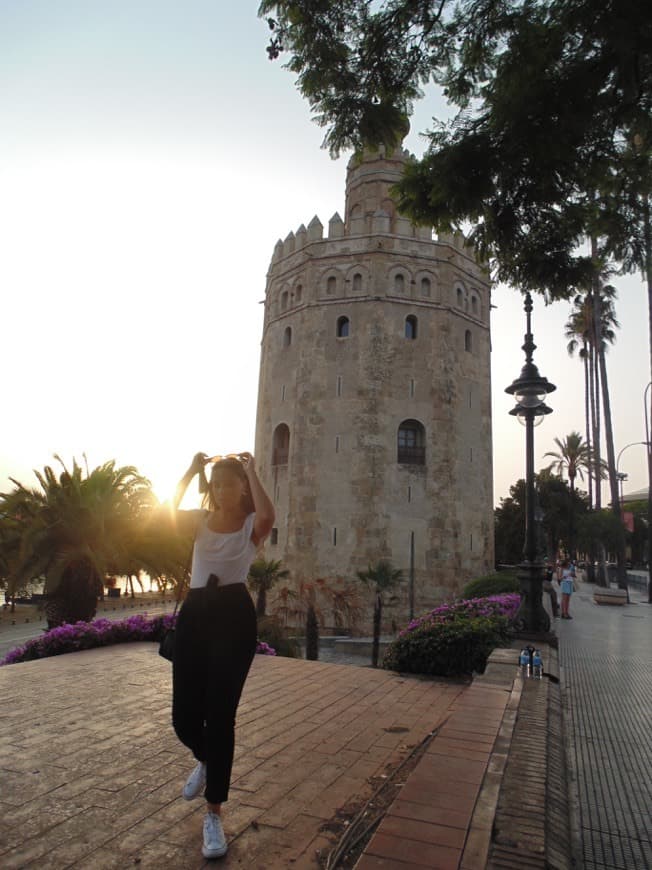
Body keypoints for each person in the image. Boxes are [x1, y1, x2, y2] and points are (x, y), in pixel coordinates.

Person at [171, 451, 274, 860]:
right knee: (183, 717)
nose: (221, 489)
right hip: (196, 615)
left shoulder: (251, 525)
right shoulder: (198, 521)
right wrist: (192, 470)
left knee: (220, 716)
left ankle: (213, 814)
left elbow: (269, 513)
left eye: (228, 483)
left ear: (241, 488)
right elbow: (169, 509)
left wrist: (252, 469)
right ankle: (206, 759)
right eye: (216, 484)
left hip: (233, 617)